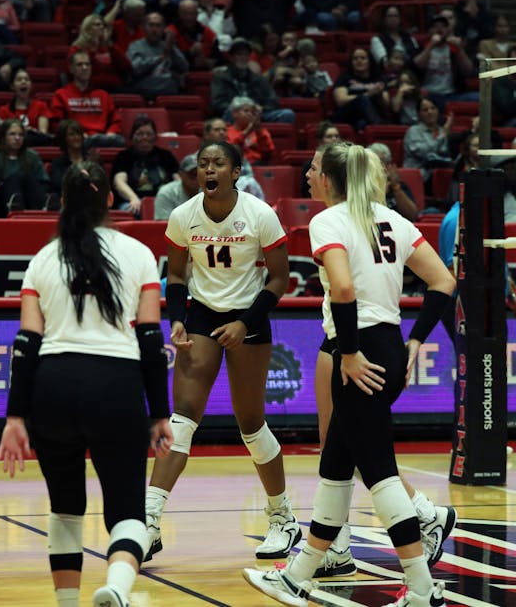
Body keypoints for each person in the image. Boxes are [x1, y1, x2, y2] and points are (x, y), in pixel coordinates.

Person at [245, 141, 455, 607]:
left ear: (331, 179)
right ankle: (299, 576)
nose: (307, 177)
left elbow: (341, 286)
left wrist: (348, 351)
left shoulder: (328, 220)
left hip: (359, 353)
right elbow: (443, 281)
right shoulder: (394, 219)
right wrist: (417, 339)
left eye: (314, 169)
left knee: (379, 472)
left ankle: (422, 589)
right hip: (389, 345)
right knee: (336, 468)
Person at [0, 160, 172, 607]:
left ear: (63, 201)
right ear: (109, 200)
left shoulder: (43, 258)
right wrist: (159, 413)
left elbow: (25, 343)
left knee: (65, 509)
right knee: (127, 512)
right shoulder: (137, 254)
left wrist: (15, 416)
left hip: (52, 388)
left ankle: (68, 605)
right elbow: (151, 340)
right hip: (115, 386)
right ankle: (116, 586)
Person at [145, 140, 298, 564]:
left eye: (218, 163)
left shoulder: (260, 215)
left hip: (248, 317)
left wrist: (245, 322)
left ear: (236, 172)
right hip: (202, 315)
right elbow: (176, 274)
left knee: (250, 422)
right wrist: (175, 318)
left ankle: (282, 517)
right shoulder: (182, 216)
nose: (208, 169)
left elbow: (280, 280)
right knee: (183, 418)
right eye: (203, 164)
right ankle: (149, 522)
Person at [50, 50, 124, 149]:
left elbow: (116, 121)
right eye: (80, 65)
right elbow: (57, 124)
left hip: (102, 139)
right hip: (77, 140)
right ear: (71, 69)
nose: (84, 68)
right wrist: (76, 134)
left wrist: (111, 133)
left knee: (120, 141)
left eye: (87, 64)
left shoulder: (103, 95)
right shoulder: (61, 94)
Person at [0, 118, 48, 216]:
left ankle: (42, 210)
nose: (17, 138)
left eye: (21, 135)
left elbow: (44, 182)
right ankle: (14, 206)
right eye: (12, 134)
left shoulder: (32, 156)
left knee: (26, 177)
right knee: (15, 179)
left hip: (27, 198)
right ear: (3, 137)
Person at [111, 115, 179, 216]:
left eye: (149, 134)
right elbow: (119, 182)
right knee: (130, 210)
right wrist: (133, 198)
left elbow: (179, 181)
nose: (144, 138)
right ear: (132, 137)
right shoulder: (124, 156)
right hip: (133, 202)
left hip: (163, 201)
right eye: (140, 134)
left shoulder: (166, 156)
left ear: (155, 137)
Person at [126, 12, 189, 100]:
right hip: (145, 92)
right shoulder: (136, 46)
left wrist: (172, 49)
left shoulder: (168, 46)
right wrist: (160, 57)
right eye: (151, 25)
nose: (154, 29)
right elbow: (136, 69)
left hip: (170, 92)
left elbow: (184, 67)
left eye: (158, 26)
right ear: (143, 27)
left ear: (163, 28)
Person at [332, 48, 390, 132]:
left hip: (367, 117)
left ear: (369, 61)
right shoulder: (344, 78)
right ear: (351, 62)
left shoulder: (378, 78)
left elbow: (386, 103)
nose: (359, 61)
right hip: (348, 115)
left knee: (362, 123)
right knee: (363, 99)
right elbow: (340, 100)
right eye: (355, 59)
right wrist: (367, 95)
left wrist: (379, 94)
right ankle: (379, 128)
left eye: (363, 58)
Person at [403, 97, 454, 185]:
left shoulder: (442, 131)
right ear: (419, 114)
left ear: (438, 110)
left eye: (433, 108)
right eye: (425, 110)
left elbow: (445, 154)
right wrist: (443, 136)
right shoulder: (414, 130)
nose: (430, 112)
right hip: (418, 175)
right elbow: (425, 153)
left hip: (438, 176)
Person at [367, 142, 420, 221]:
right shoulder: (362, 186)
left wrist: (396, 187)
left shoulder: (398, 186)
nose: (378, 166)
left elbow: (412, 216)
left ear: (388, 165)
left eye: (382, 162)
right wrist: (380, 193)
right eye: (374, 162)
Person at [0, 67, 51, 139]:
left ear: (31, 85)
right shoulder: (4, 110)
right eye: (19, 80)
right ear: (12, 86)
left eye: (27, 79)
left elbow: (43, 134)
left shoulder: (41, 106)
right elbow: (3, 136)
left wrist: (32, 132)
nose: (23, 82)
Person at [227, 96, 276, 165]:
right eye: (246, 111)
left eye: (252, 112)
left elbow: (268, 150)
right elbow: (230, 149)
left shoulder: (259, 130)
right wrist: (248, 131)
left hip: (258, 166)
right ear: (235, 113)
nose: (250, 114)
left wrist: (259, 132)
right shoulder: (227, 131)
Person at [153, 153, 199, 220]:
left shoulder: (211, 192)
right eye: (193, 174)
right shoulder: (167, 193)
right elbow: (163, 226)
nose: (197, 178)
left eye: (200, 174)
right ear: (180, 174)